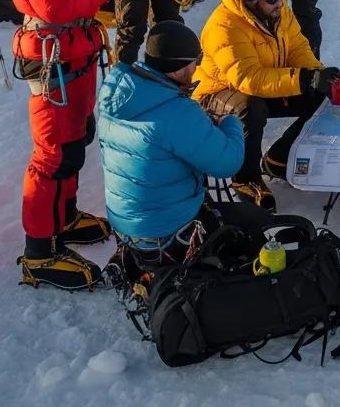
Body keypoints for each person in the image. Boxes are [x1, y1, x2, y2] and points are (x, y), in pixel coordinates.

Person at [0, 0, 149, 290]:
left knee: (76, 141)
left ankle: (62, 216)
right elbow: (56, 4)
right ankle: (39, 251)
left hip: (73, 49)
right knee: (53, 155)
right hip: (53, 53)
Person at [193, 0, 340, 210]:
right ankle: (246, 179)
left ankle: (279, 157)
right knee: (251, 107)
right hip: (217, 93)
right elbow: (248, 79)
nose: (280, 3)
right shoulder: (225, 26)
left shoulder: (279, 12)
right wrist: (303, 79)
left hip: (263, 83)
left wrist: (317, 75)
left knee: (317, 94)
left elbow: (297, 48)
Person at [97, 21, 248, 270]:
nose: (196, 68)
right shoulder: (176, 111)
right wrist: (230, 121)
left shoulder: (122, 92)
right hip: (166, 232)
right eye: (195, 61)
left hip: (126, 225)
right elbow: (228, 162)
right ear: (180, 67)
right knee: (252, 225)